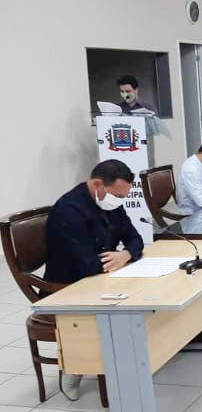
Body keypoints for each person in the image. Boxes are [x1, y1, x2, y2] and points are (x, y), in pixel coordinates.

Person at [46, 160, 144, 399]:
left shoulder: (109, 201)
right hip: (68, 285)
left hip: (102, 276)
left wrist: (126, 254)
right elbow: (87, 263)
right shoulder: (69, 210)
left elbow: (135, 238)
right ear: (98, 184)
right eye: (117, 195)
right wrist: (120, 259)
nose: (120, 201)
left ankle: (132, 360)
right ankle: (74, 361)